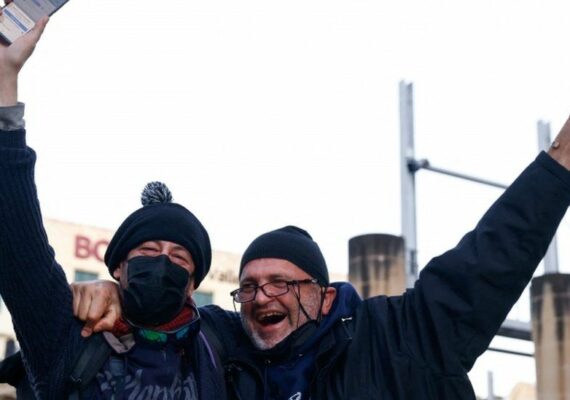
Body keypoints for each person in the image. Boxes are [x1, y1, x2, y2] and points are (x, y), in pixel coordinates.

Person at [73, 128, 570, 399]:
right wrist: (116, 293)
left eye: (281, 283)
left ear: (325, 296)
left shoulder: (400, 337)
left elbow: (496, 252)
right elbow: (165, 316)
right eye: (249, 287)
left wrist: (558, 165)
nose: (261, 297)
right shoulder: (229, 349)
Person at [0, 21, 226, 399]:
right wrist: (5, 80)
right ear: (119, 267)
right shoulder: (67, 334)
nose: (162, 263)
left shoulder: (220, 345)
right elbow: (15, 238)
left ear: (193, 284)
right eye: (148, 251)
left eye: (179, 257)